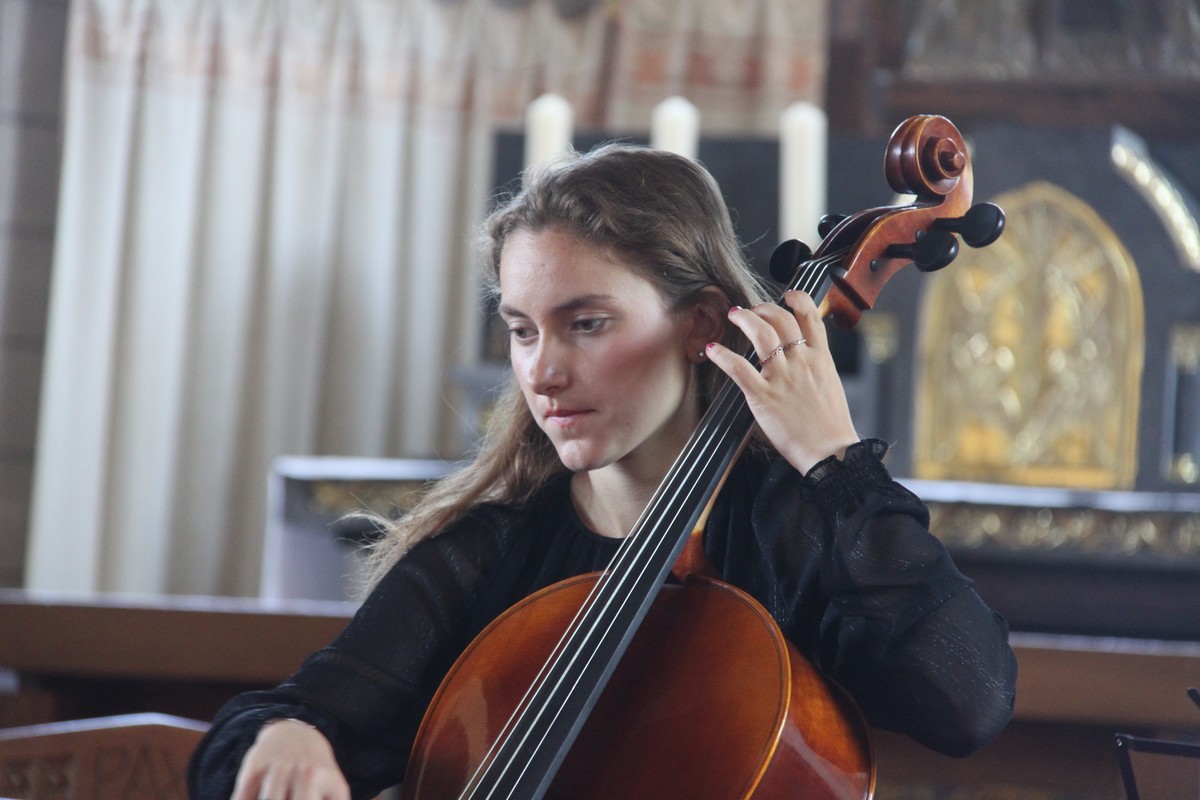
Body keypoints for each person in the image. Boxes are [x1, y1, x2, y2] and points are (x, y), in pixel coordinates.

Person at [188, 144, 1017, 800]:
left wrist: (835, 461)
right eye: (522, 330)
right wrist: (288, 736)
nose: (541, 372)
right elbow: (252, 734)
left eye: (585, 323)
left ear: (701, 324)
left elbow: (968, 701)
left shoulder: (790, 540)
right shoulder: (491, 554)